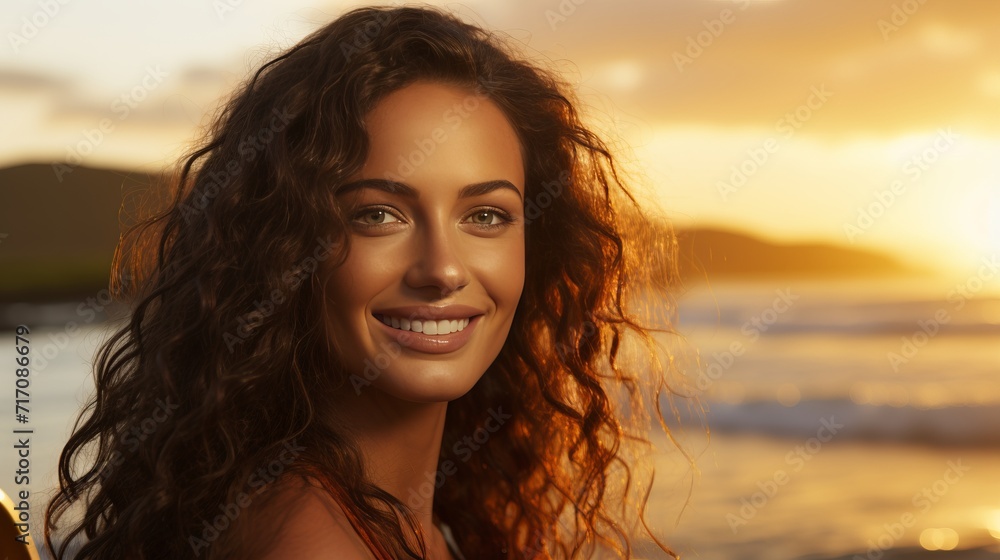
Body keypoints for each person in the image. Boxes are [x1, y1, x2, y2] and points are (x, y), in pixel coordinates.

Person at [44, 5, 679, 559]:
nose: (444, 269)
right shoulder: (309, 541)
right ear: (284, 248)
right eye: (379, 214)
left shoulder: (391, 507)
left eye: (485, 215)